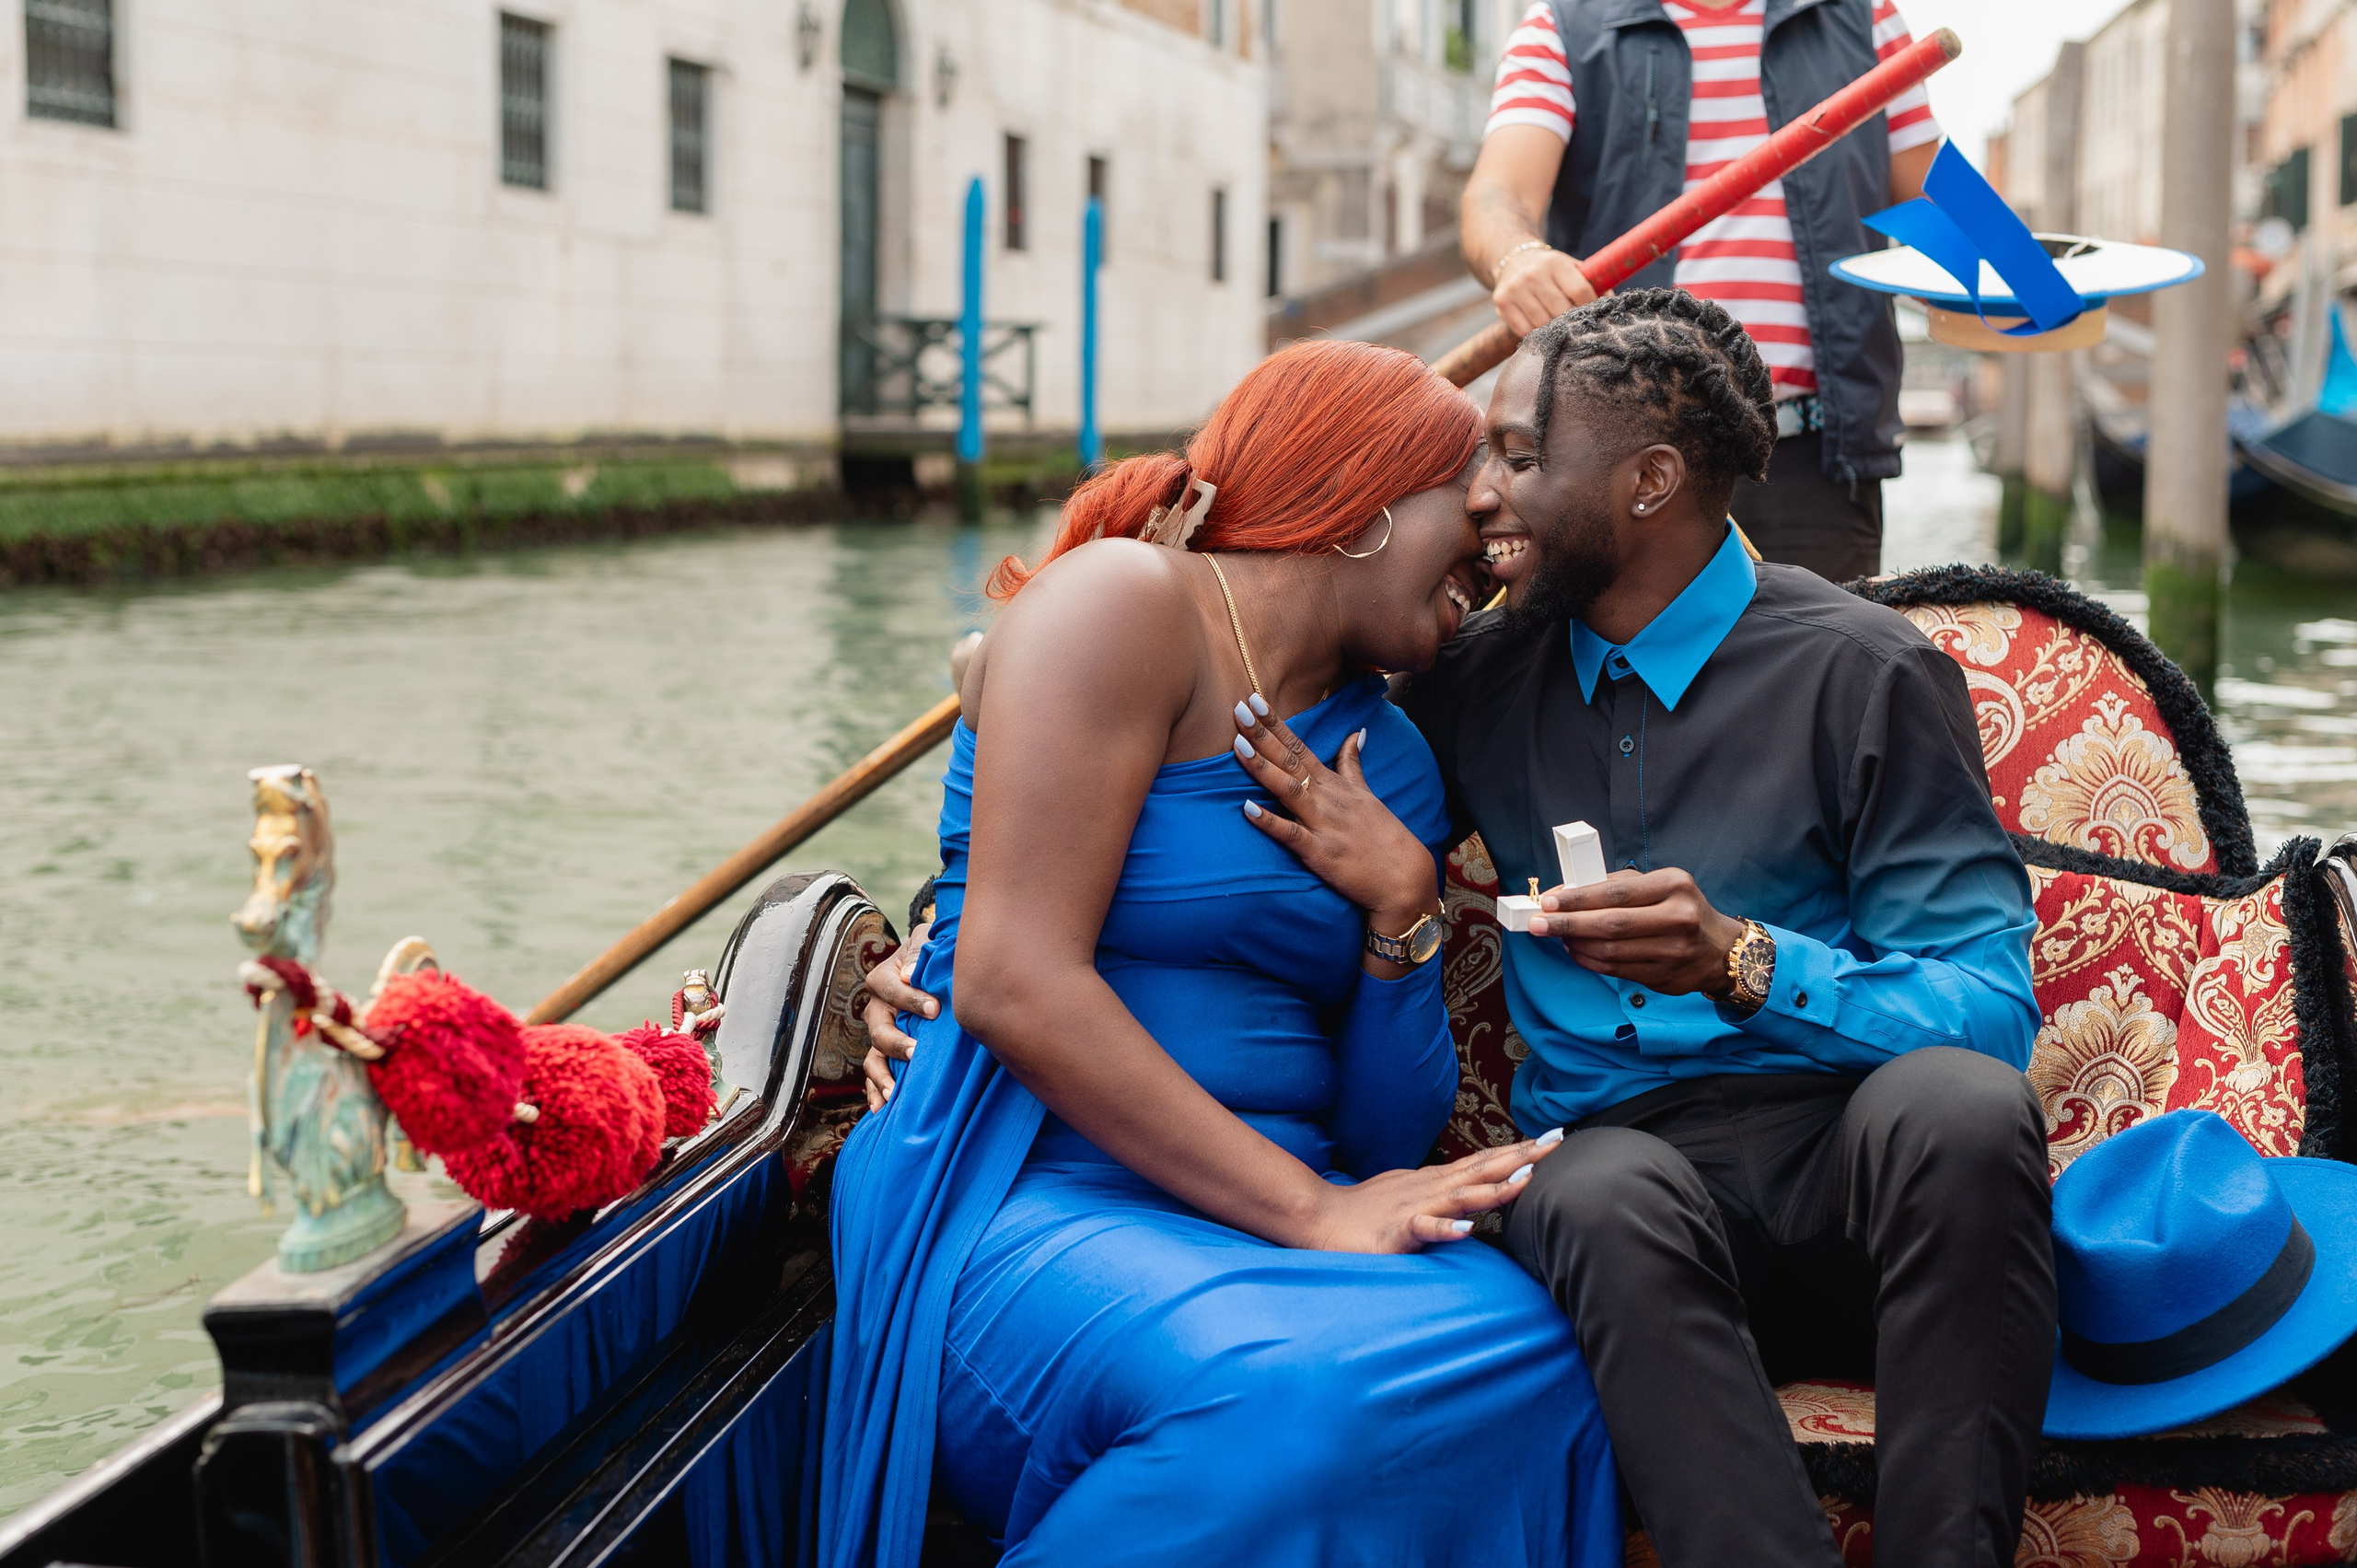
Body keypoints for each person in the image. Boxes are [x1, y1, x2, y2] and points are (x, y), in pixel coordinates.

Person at [827, 340, 1621, 1568]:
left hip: (1267, 1211)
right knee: (1293, 1396)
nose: (1489, 529)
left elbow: (1379, 1144)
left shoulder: (1389, 763)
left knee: (1545, 1347)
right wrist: (1312, 1210)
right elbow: (1009, 979)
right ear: (1365, 499)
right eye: (1464, 495)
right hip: (1023, 1185)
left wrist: (1402, 912)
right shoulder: (1124, 603)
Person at [1397, 287, 2052, 1568]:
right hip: (1626, 1189)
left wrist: (1746, 962)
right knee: (1596, 1184)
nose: (1480, 495)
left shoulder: (1866, 669)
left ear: (1650, 480)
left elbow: (1988, 1012)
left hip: (1853, 1172)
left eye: (1518, 458)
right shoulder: (1472, 679)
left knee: (1966, 1107)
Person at [1460, 0, 1944, 581]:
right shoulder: (1563, 24)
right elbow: (1496, 196)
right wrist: (1517, 257)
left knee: (1828, 642)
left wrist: (2014, 277)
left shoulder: (1865, 17)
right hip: (1617, 463)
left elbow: (1940, 225)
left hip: (1817, 460)